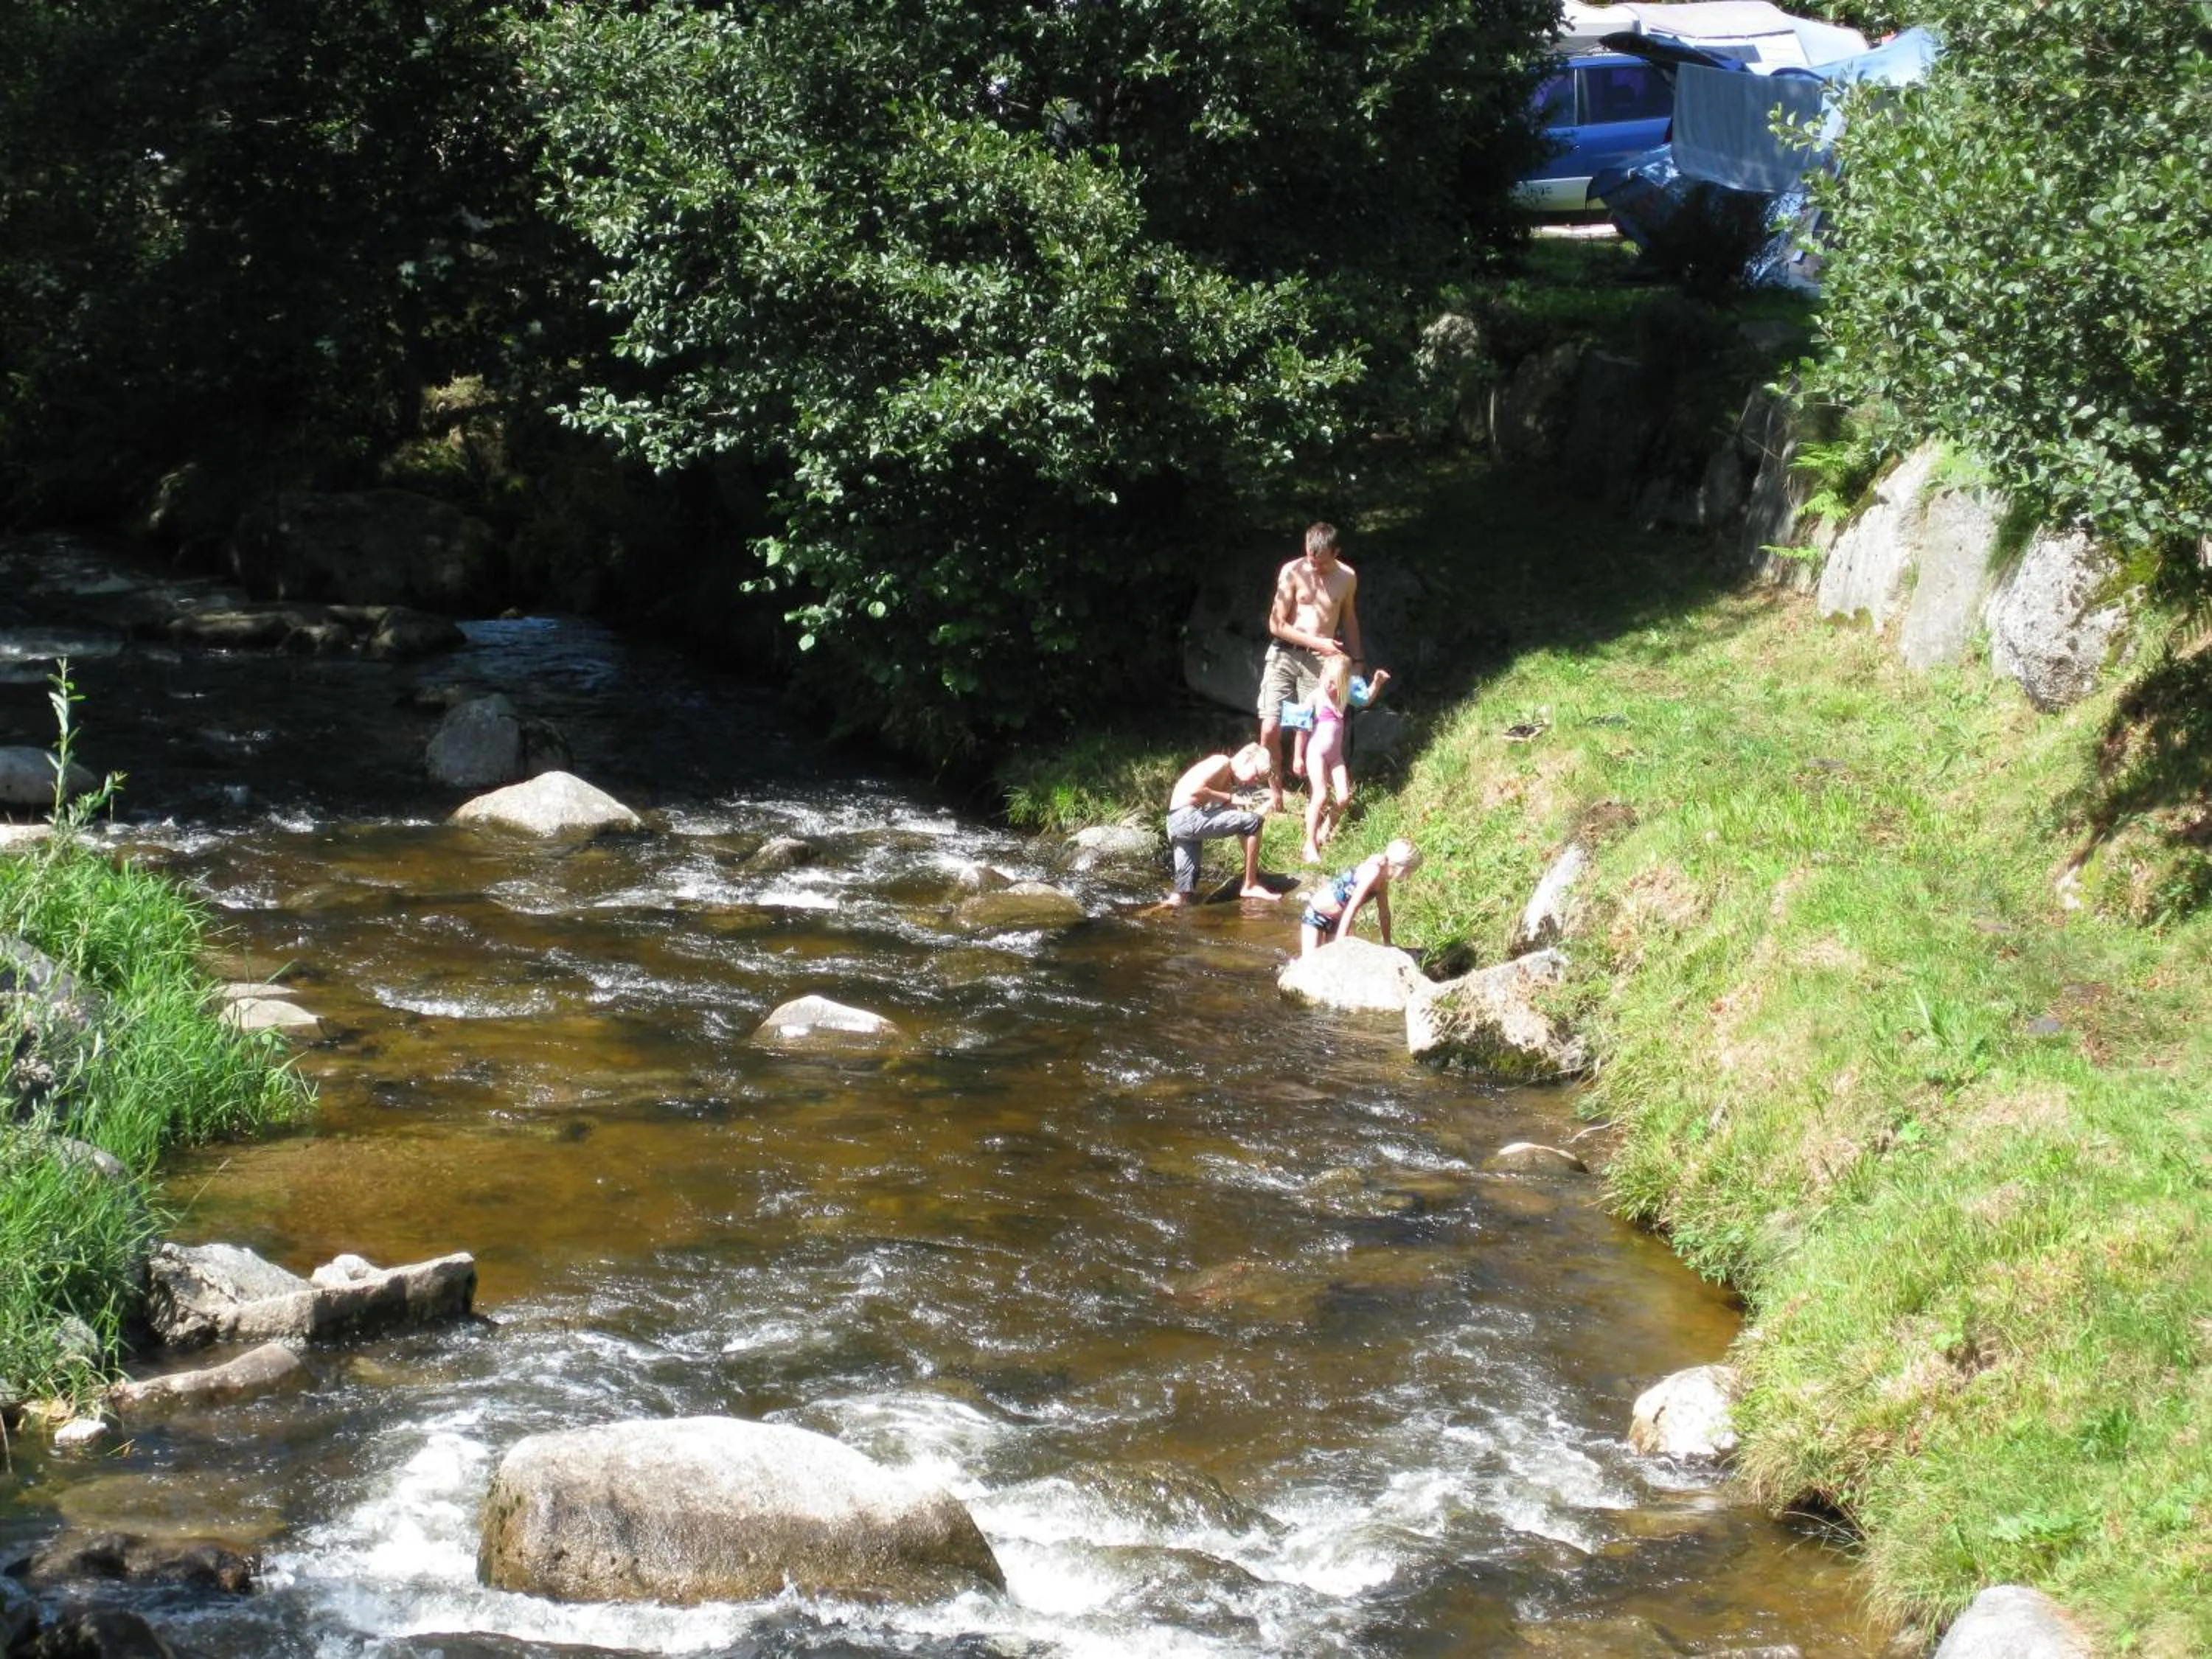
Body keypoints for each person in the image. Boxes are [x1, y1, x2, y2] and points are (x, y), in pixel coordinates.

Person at [1258, 522, 1363, 813]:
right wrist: (1317, 642)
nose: (1315, 567)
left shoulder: (1347, 578)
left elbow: (1350, 621)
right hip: (1285, 654)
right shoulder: (1292, 571)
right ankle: (1275, 795)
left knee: (1320, 729)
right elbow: (1276, 625)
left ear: (1336, 553)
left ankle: (1316, 798)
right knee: (1269, 727)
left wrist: (1357, 662)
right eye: (1311, 559)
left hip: (1321, 662)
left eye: (1323, 563)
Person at [1162, 742, 1278, 905]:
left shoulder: (1227, 780)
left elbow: (1237, 821)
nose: (1253, 783)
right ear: (1246, 759)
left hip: (1177, 824)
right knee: (1254, 821)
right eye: (1257, 776)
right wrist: (1230, 798)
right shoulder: (1222, 762)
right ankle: (1250, 885)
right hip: (1186, 818)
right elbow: (1196, 791)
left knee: (1184, 894)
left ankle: (1150, 913)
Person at [1299, 660, 1391, 864]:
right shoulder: (1315, 697)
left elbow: (1365, 700)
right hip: (1316, 753)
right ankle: (1310, 844)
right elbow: (1301, 728)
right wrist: (1298, 756)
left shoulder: (1343, 697)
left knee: (1343, 797)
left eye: (1336, 683)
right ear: (1321, 674)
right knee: (1320, 795)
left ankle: (1325, 831)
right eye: (1328, 681)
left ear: (1343, 684)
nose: (1330, 686)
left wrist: (1376, 682)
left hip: (1335, 756)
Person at [1299, 838, 1421, 955]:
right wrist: (1339, 943)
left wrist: (1388, 943)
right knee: (1311, 963)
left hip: (1338, 921)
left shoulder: (1383, 880)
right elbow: (1352, 907)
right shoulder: (1373, 872)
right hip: (1317, 914)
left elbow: (1384, 913)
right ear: (1401, 868)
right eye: (1409, 872)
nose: (1408, 877)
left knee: (1331, 965)